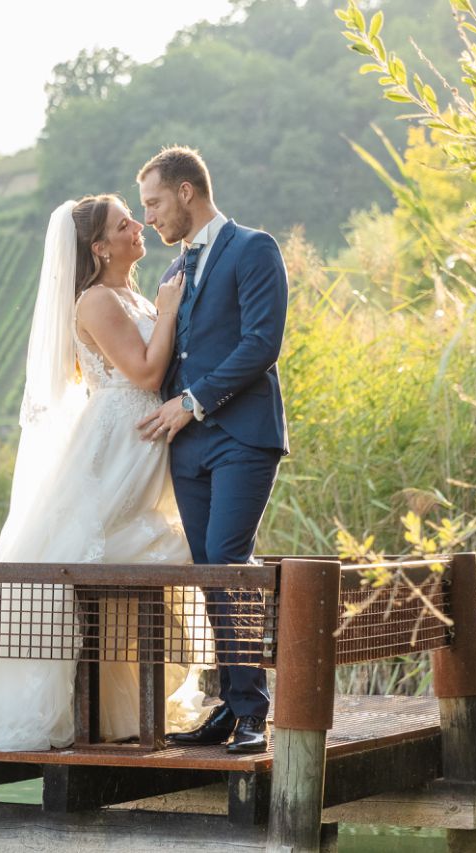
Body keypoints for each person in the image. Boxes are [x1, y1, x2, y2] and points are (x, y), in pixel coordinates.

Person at [0, 194, 211, 751]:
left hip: (145, 438)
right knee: (116, 550)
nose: (138, 225)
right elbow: (146, 372)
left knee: (145, 555)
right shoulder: (96, 300)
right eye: (123, 223)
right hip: (120, 439)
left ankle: (113, 712)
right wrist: (171, 310)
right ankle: (33, 706)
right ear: (99, 248)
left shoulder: (133, 294)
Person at [136, 147, 289, 754]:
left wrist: (192, 401)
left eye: (154, 202)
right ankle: (231, 705)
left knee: (228, 562)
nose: (149, 217)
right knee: (208, 572)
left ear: (186, 192)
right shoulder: (174, 271)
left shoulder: (254, 248)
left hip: (243, 436)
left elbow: (262, 343)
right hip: (188, 447)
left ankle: (253, 713)